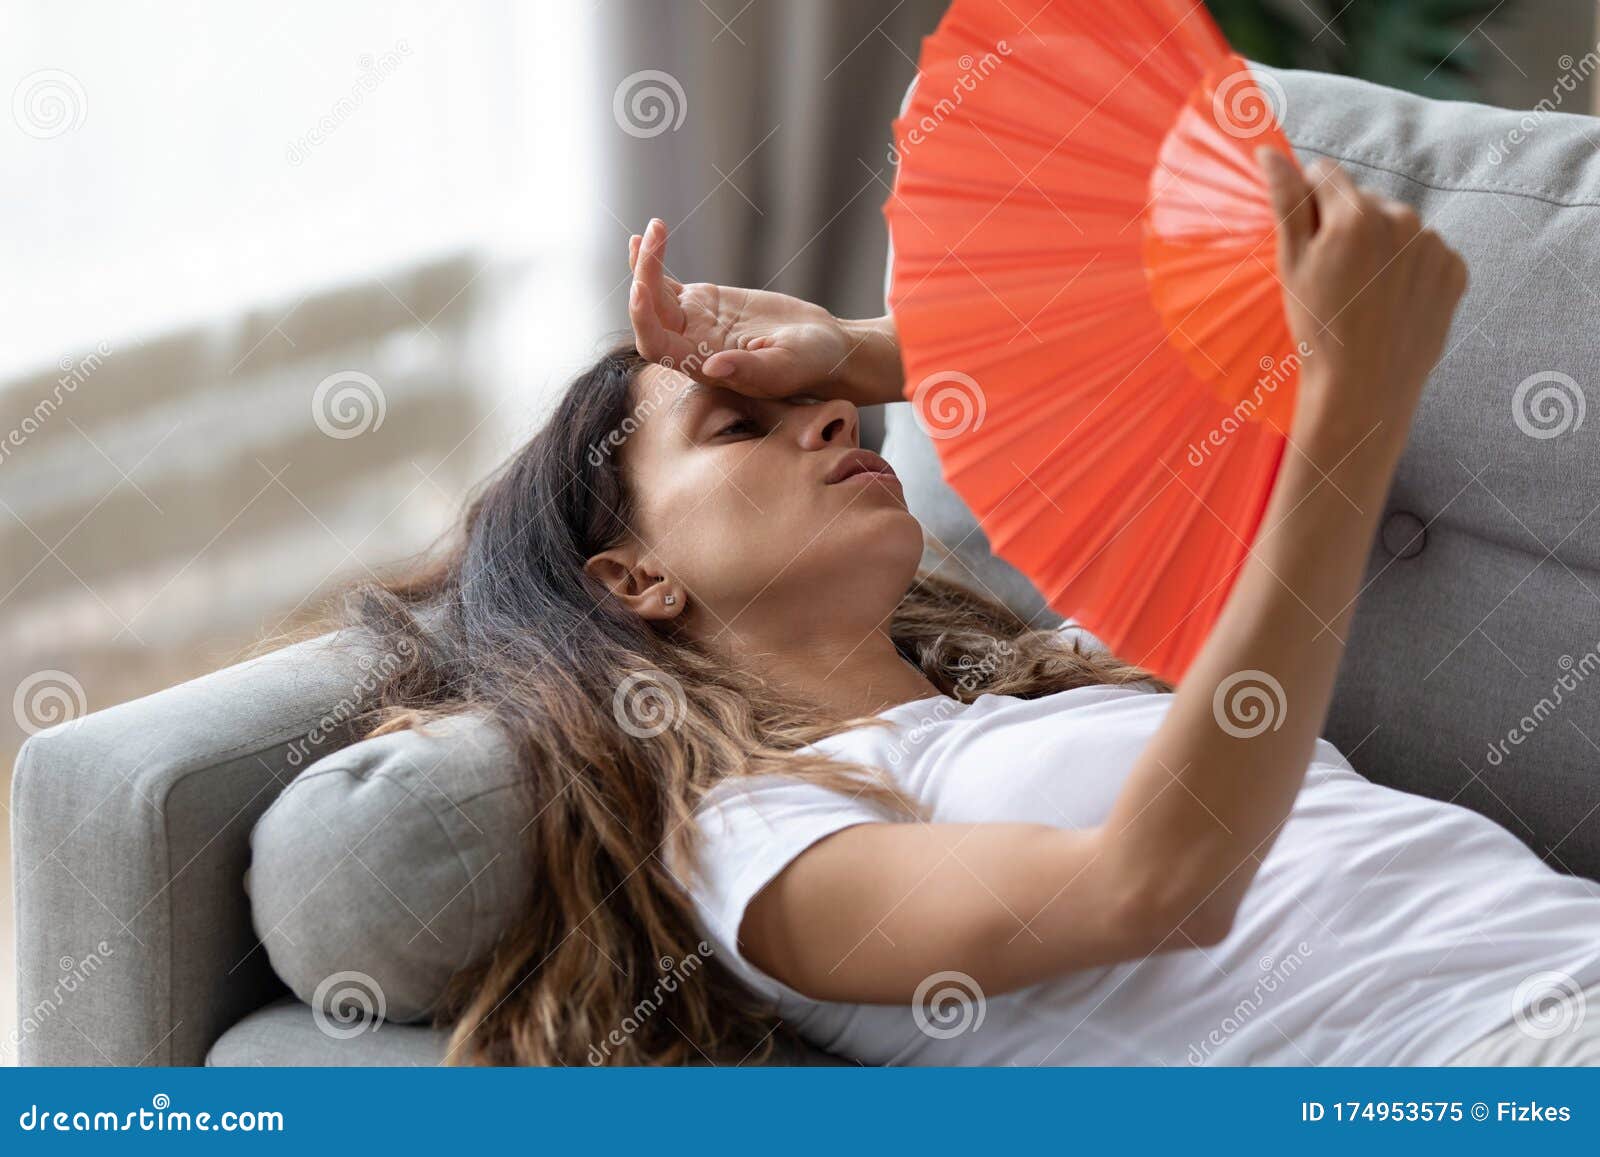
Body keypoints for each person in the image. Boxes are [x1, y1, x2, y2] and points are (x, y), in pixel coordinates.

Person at [352, 152, 1600, 1066]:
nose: (835, 421)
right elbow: (1153, 884)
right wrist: (1349, 423)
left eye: (825, 408)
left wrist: (858, 348)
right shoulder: (753, 838)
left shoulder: (1046, 672)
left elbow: (1206, 342)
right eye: (740, 426)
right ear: (634, 577)